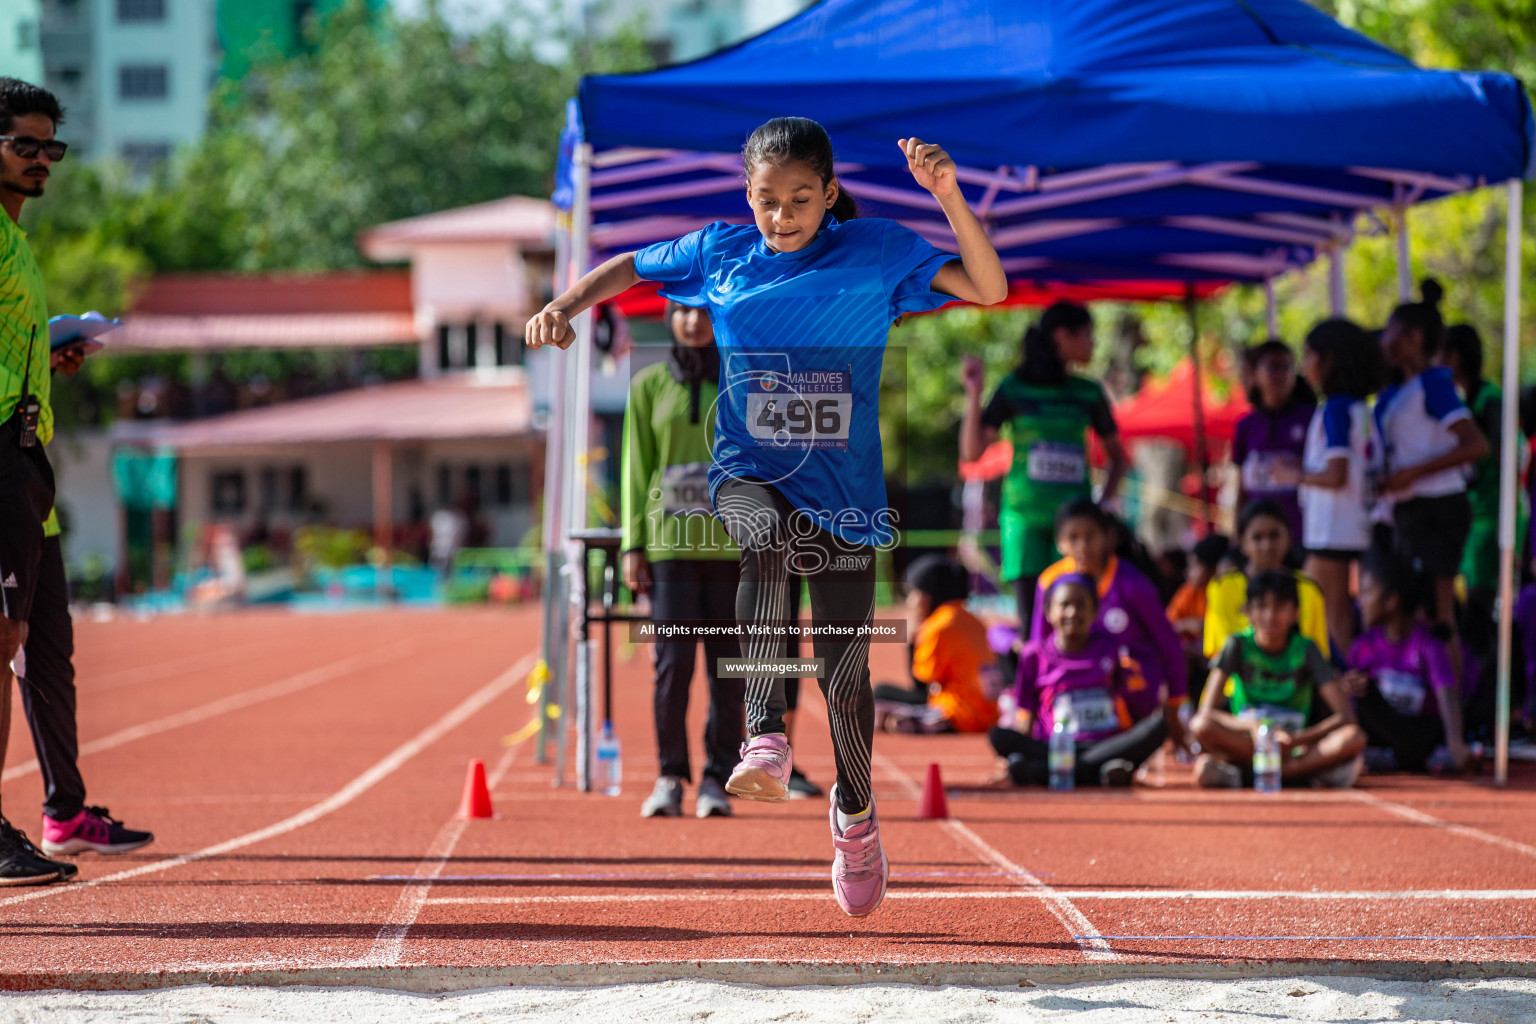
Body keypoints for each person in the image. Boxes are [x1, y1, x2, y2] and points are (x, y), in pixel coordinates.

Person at [527, 116, 1006, 917]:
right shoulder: (720, 252)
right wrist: (565, 302)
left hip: (846, 497)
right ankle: (765, 731)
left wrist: (949, 196)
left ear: (830, 195)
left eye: (798, 200)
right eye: (765, 200)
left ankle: (855, 816)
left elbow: (989, 289)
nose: (780, 216)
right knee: (764, 539)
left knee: (848, 680)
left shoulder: (876, 252)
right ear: (746, 196)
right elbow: (628, 266)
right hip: (748, 470)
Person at [0, 78, 152, 886]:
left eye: (50, 148)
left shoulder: (17, 244)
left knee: (31, 650)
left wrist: (47, 357)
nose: (41, 161)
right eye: (24, 145)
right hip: (0, 457)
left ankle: (62, 809)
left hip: (26, 464)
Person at [621, 301, 743, 819]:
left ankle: (717, 779)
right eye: (683, 312)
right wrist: (632, 543)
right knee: (672, 669)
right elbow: (634, 466)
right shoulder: (648, 386)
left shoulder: (741, 381)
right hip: (669, 549)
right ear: (670, 318)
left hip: (734, 546)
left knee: (728, 673)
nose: (693, 321)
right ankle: (670, 776)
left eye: (703, 312)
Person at [960, 302, 1128, 629]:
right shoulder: (1014, 388)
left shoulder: (1088, 393)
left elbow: (1118, 457)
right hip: (1024, 519)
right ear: (1062, 337)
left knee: (1076, 619)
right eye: (1088, 336)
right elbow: (972, 451)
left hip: (1076, 526)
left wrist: (1103, 504)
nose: (1094, 344)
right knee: (1031, 622)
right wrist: (973, 392)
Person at [1375, 279, 1489, 679]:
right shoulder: (1397, 392)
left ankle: (1457, 709)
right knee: (1414, 609)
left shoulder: (1434, 384)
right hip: (1407, 511)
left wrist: (1412, 473)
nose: (1383, 341)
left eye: (1389, 332)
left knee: (1439, 615)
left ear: (1411, 337)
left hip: (1439, 507)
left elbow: (1475, 445)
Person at [1031, 500, 1189, 749]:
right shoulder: (1050, 582)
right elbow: (1038, 650)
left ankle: (1116, 743)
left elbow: (1170, 647)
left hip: (1125, 694)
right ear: (1060, 543)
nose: (1082, 546)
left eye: (1090, 536)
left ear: (1109, 538)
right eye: (1073, 538)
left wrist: (1174, 709)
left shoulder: (1133, 585)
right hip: (1066, 693)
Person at [990, 574, 1169, 786]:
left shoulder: (1111, 647)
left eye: (1082, 605)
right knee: (999, 736)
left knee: (1159, 725)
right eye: (1064, 605)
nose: (1073, 612)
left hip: (1104, 745)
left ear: (1095, 611)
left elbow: (1131, 703)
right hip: (1055, 747)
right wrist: (1020, 745)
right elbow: (1026, 715)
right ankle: (1099, 773)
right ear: (1048, 611)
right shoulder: (1033, 655)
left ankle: (1041, 773)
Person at [1191, 571, 1366, 788]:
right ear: (1247, 612)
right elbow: (1205, 713)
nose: (1270, 615)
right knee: (1201, 726)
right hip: (1250, 743)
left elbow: (1345, 717)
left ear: (1296, 613)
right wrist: (1254, 727)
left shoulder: (1306, 649)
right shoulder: (1236, 645)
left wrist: (1297, 740)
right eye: (1262, 606)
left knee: (1354, 737)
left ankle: (1254, 776)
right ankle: (1302, 775)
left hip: (1295, 746)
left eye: (1280, 607)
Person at [1288, 318, 1383, 656]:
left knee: (1328, 616)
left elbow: (1335, 474)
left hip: (1333, 529)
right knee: (1338, 615)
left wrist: (1294, 475)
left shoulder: (1336, 409)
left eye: (1308, 356)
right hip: (1354, 523)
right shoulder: (1362, 408)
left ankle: (1345, 696)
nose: (1304, 366)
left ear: (1328, 359)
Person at [1438, 323, 1523, 658]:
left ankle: (1493, 677)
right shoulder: (1465, 399)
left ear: (1456, 356)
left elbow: (1503, 454)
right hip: (1474, 514)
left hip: (1494, 514)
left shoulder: (1490, 399)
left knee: (1482, 602)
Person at [1345, 546, 1469, 773]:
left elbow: (1447, 694)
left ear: (1392, 600)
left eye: (1367, 592)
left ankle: (1400, 757)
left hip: (1419, 732)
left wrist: (1455, 743)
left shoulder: (1428, 645)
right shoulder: (1362, 646)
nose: (1360, 601)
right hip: (1382, 734)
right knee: (1360, 691)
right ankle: (1388, 756)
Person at [873, 555, 996, 734]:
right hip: (990, 715)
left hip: (958, 713)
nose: (910, 601)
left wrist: (910, 641)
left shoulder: (939, 625)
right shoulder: (973, 619)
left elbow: (920, 685)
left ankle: (913, 721)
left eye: (913, 593)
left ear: (930, 594)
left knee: (878, 693)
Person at [1203, 499, 1330, 662]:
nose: (1267, 545)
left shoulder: (1308, 589)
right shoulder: (1222, 587)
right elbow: (1225, 652)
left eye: (1274, 535)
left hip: (1298, 684)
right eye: (1257, 537)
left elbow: (1318, 655)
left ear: (1289, 537)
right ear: (1242, 543)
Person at [1231, 339, 1316, 544]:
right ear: (1255, 374)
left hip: (1304, 533)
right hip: (1259, 537)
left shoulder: (1311, 418)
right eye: (1272, 367)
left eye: (1286, 366)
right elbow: (1241, 488)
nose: (1280, 374)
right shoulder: (1246, 426)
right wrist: (1237, 531)